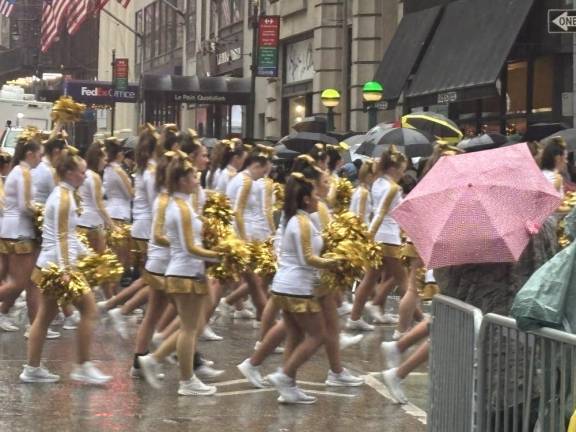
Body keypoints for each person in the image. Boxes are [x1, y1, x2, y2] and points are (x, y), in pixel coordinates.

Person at [20, 153, 111, 384]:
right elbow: (61, 238)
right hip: (58, 266)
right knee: (90, 311)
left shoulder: (65, 195)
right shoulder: (63, 198)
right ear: (69, 173)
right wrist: (66, 270)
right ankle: (82, 365)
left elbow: (68, 236)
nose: (85, 175)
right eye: (81, 171)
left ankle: (32, 369)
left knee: (44, 317)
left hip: (51, 264)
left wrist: (88, 254)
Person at [138, 156, 221, 396]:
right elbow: (189, 247)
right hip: (184, 272)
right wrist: (220, 255)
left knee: (190, 327)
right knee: (188, 330)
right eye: (193, 176)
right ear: (182, 180)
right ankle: (187, 381)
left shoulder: (183, 205)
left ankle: (154, 360)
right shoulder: (180, 208)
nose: (197, 179)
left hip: (187, 271)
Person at [265, 172, 341, 404]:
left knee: (295, 336)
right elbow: (308, 258)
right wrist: (336, 261)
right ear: (306, 199)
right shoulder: (302, 222)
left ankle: (289, 388)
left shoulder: (296, 220)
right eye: (315, 194)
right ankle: (284, 375)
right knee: (318, 335)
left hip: (286, 285)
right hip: (298, 286)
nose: (319, 198)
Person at [347, 146, 409, 335]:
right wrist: (369, 237)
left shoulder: (377, 183)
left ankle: (354, 318)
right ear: (393, 168)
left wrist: (370, 237)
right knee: (405, 282)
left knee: (370, 278)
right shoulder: (392, 187)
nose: (403, 172)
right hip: (388, 238)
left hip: (380, 237)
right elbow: (381, 213)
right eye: (401, 168)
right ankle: (413, 324)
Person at [0, 137, 45, 335]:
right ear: (30, 154)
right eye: (40, 155)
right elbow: (26, 205)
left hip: (11, 230)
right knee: (19, 283)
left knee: (29, 282)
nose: (41, 159)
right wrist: (43, 214)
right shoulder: (24, 173)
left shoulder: (17, 171)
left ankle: (33, 324)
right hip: (20, 232)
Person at [77, 141, 116, 298]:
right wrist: (112, 225)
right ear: (97, 157)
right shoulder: (94, 177)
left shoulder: (83, 174)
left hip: (80, 224)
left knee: (86, 264)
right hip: (93, 226)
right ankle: (110, 302)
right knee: (102, 264)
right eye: (105, 158)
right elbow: (99, 205)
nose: (106, 162)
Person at [32, 135, 66, 204]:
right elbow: (58, 196)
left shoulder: (36, 165)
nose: (60, 162)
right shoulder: (50, 171)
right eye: (60, 158)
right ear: (56, 152)